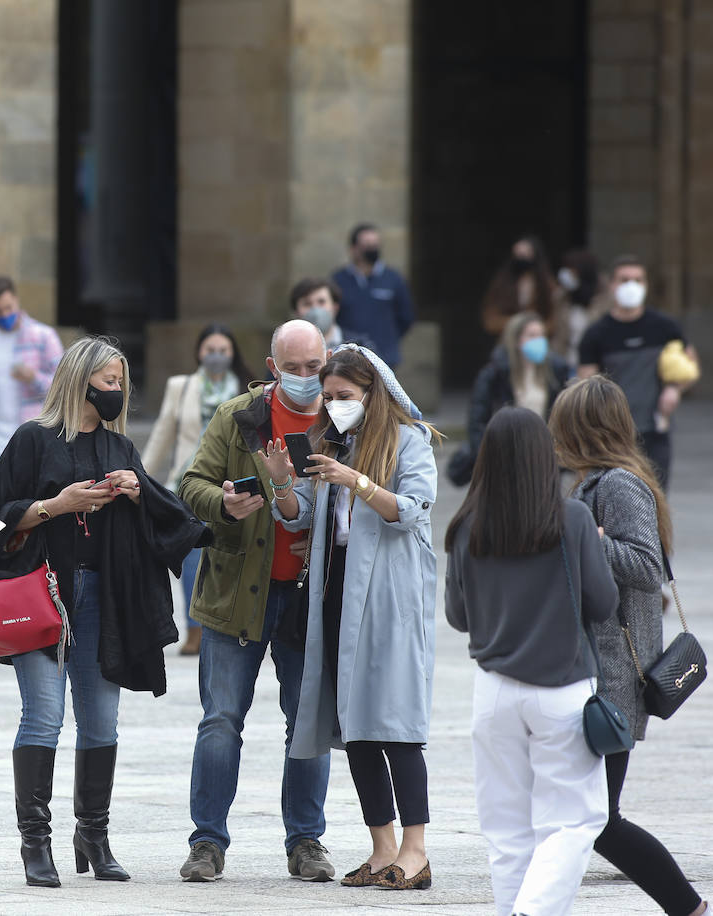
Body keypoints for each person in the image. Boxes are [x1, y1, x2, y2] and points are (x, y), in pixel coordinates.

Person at [0, 336, 207, 889]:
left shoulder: (120, 449)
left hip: (103, 600)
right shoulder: (33, 441)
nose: (116, 392)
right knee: (43, 715)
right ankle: (36, 842)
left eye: (121, 384)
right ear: (80, 380)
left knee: (101, 721)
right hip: (43, 595)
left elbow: (163, 521)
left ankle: (94, 834)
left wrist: (137, 492)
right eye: (109, 382)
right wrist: (57, 506)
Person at [273, 344, 441, 891]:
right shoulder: (332, 444)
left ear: (375, 394)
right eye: (329, 397)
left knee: (395, 722)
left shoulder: (408, 440)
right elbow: (299, 514)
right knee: (357, 727)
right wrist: (280, 482)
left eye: (344, 396)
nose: (335, 405)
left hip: (391, 594)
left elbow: (412, 511)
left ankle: (416, 849)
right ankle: (382, 846)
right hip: (339, 589)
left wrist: (358, 481)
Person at [175, 320, 336, 884]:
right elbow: (190, 485)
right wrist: (221, 502)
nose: (303, 378)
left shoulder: (343, 416)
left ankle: (307, 841)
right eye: (291, 368)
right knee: (221, 719)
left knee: (308, 721)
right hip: (237, 589)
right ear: (272, 368)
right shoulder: (238, 416)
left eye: (313, 367)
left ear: (328, 360)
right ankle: (207, 843)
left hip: (310, 596)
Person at [444, 407, 618, 916]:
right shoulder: (574, 519)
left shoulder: (465, 525)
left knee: (505, 826)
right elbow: (604, 604)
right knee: (575, 819)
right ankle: (532, 911)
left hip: (493, 689)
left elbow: (457, 616)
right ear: (545, 455)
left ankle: (514, 909)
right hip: (561, 685)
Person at [549, 376, 712, 916]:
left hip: (614, 678)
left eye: (562, 424)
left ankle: (690, 908)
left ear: (582, 430)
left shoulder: (617, 486)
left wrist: (591, 541)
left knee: (597, 818)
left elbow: (645, 566)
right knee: (589, 816)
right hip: (597, 672)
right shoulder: (595, 485)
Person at [141, 322, 252, 655]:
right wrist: (141, 475)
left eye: (223, 351)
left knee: (230, 555)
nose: (216, 356)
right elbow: (163, 433)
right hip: (188, 482)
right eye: (210, 350)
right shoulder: (182, 386)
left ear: (232, 353)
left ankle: (232, 625)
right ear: (199, 352)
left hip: (231, 486)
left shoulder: (246, 391)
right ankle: (195, 630)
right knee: (192, 557)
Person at [577, 256, 699, 490]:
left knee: (656, 500)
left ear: (646, 285)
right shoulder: (597, 334)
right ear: (612, 285)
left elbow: (690, 366)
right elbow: (586, 385)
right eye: (624, 280)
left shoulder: (664, 327)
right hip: (612, 435)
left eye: (637, 280)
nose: (631, 286)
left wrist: (674, 389)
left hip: (655, 430)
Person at [447, 311, 572, 486]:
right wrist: (487, 458)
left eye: (541, 335)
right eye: (532, 335)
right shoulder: (494, 374)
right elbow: (477, 419)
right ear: (516, 339)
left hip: (545, 454)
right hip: (507, 453)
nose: (539, 341)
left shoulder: (557, 370)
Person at [0, 275, 64, 470]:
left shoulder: (43, 336)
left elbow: (65, 386)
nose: (5, 315)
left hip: (32, 437)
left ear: (16, 301)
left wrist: (34, 377)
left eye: (8, 308)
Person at [330, 223, 416, 367]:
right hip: (348, 359)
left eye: (375, 244)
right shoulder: (339, 280)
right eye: (367, 245)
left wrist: (389, 339)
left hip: (385, 357)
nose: (372, 249)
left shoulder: (393, 278)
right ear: (353, 249)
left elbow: (406, 317)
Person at [480, 235, 568, 354]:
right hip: (508, 346)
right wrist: (518, 324)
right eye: (518, 255)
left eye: (525, 254)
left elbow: (554, 322)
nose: (521, 259)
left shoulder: (547, 286)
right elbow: (490, 320)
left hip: (537, 348)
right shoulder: (501, 285)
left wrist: (533, 330)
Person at [288, 277, 377, 354]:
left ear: (335, 307)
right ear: (296, 312)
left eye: (321, 302)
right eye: (307, 304)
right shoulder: (286, 348)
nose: (315, 309)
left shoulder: (361, 346)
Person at [557, 247, 608, 368]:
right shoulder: (561, 298)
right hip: (567, 362)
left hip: (596, 365)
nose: (566, 273)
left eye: (571, 269)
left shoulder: (605, 299)